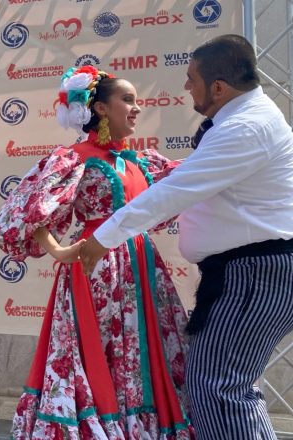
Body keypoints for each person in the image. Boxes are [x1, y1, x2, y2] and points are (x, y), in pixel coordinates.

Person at [80, 34, 293, 439]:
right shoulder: (240, 123)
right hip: (246, 273)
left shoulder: (246, 128)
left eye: (191, 78)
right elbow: (181, 182)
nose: (185, 86)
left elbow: (174, 193)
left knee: (220, 389)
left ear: (218, 87)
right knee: (224, 386)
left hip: (253, 275)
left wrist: (99, 239)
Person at [0, 66, 193, 438]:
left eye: (136, 101)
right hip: (95, 269)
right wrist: (59, 251)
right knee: (98, 350)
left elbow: (190, 183)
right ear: (101, 109)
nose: (136, 108)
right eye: (127, 100)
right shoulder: (74, 157)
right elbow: (29, 210)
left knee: (140, 350)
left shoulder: (140, 161)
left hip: (141, 267)